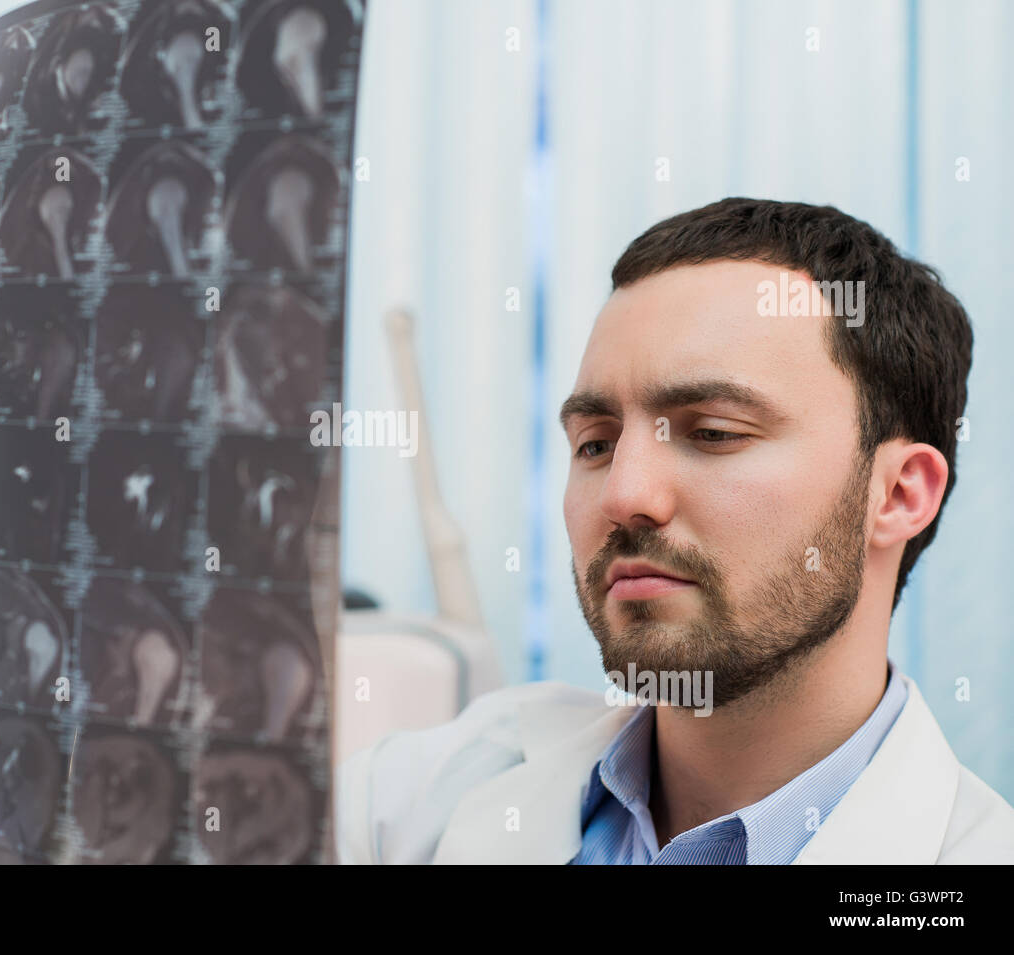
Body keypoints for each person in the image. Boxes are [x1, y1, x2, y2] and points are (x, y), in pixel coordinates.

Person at [335, 198, 1014, 864]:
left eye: (713, 432)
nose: (625, 495)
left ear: (897, 493)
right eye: (596, 444)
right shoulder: (402, 803)